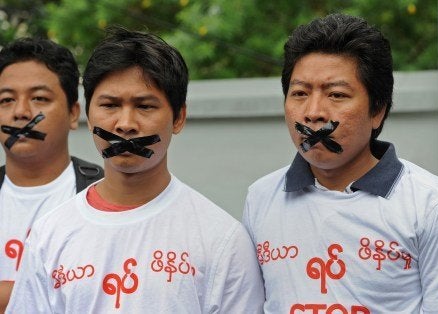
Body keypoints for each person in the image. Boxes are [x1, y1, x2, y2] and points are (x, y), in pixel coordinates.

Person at [243, 13, 438, 313]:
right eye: (299, 93)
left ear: (377, 110)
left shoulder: (430, 204)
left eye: (336, 94)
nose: (313, 113)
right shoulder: (261, 199)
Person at [7, 28, 264, 313]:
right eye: (110, 105)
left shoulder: (221, 240)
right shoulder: (49, 235)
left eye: (144, 106)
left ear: (178, 118)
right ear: (89, 116)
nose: (125, 123)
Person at [0, 37, 103, 311]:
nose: (21, 112)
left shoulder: (104, 195)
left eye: (39, 98)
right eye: (6, 99)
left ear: (73, 113)